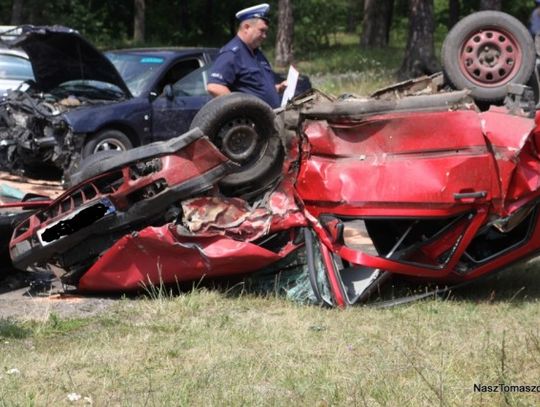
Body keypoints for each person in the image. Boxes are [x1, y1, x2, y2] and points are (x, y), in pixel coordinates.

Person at [207, 3, 286, 108]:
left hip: (269, 118)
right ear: (246, 27)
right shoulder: (232, 54)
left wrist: (277, 88)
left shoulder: (257, 54)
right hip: (251, 121)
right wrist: (242, 109)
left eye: (265, 32)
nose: (264, 36)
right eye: (261, 31)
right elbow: (214, 86)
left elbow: (255, 88)